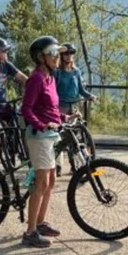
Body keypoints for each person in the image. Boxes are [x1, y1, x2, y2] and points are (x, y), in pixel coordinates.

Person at [20, 36, 64, 249]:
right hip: (38, 136)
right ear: (40, 57)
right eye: (53, 53)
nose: (57, 57)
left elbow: (51, 109)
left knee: (52, 181)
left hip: (50, 135)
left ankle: (40, 222)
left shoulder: (50, 78)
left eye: (57, 53)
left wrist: (64, 118)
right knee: (42, 183)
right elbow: (26, 109)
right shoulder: (36, 78)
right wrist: (41, 124)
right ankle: (30, 233)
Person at [53, 42, 96, 175]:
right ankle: (58, 166)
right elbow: (52, 90)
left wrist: (90, 96)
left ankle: (75, 166)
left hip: (74, 106)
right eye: (66, 53)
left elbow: (81, 89)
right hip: (61, 107)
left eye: (72, 53)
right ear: (61, 55)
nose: (69, 56)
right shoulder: (57, 72)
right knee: (60, 138)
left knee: (75, 137)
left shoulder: (76, 71)